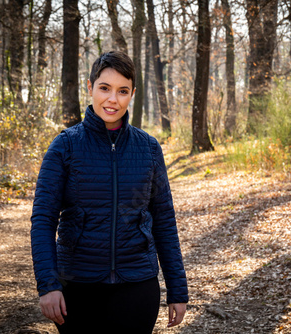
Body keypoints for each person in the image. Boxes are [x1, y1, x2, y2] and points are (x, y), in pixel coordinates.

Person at [30, 51, 188, 333]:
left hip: (137, 286)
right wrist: (48, 284)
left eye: (122, 91)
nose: (113, 100)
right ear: (89, 87)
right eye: (105, 88)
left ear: (132, 94)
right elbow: (43, 220)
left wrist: (178, 289)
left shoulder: (149, 148)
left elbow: (164, 220)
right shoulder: (64, 147)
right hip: (77, 288)